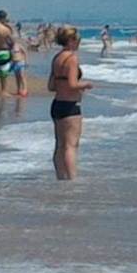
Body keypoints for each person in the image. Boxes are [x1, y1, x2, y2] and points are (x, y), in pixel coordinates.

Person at [47, 27, 91, 180]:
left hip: (57, 104)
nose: (79, 44)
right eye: (78, 41)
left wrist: (63, 84)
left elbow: (51, 86)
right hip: (70, 106)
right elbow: (73, 84)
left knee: (60, 145)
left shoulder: (57, 58)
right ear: (71, 40)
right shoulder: (72, 58)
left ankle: (60, 178)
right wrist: (85, 84)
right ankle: (72, 180)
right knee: (71, 145)